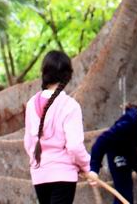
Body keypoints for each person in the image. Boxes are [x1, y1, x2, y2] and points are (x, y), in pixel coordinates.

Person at [24, 50, 90, 204]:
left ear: (44, 73)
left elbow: (29, 143)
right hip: (63, 175)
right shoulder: (70, 106)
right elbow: (74, 146)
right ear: (68, 76)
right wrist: (86, 166)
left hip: (40, 175)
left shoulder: (31, 104)